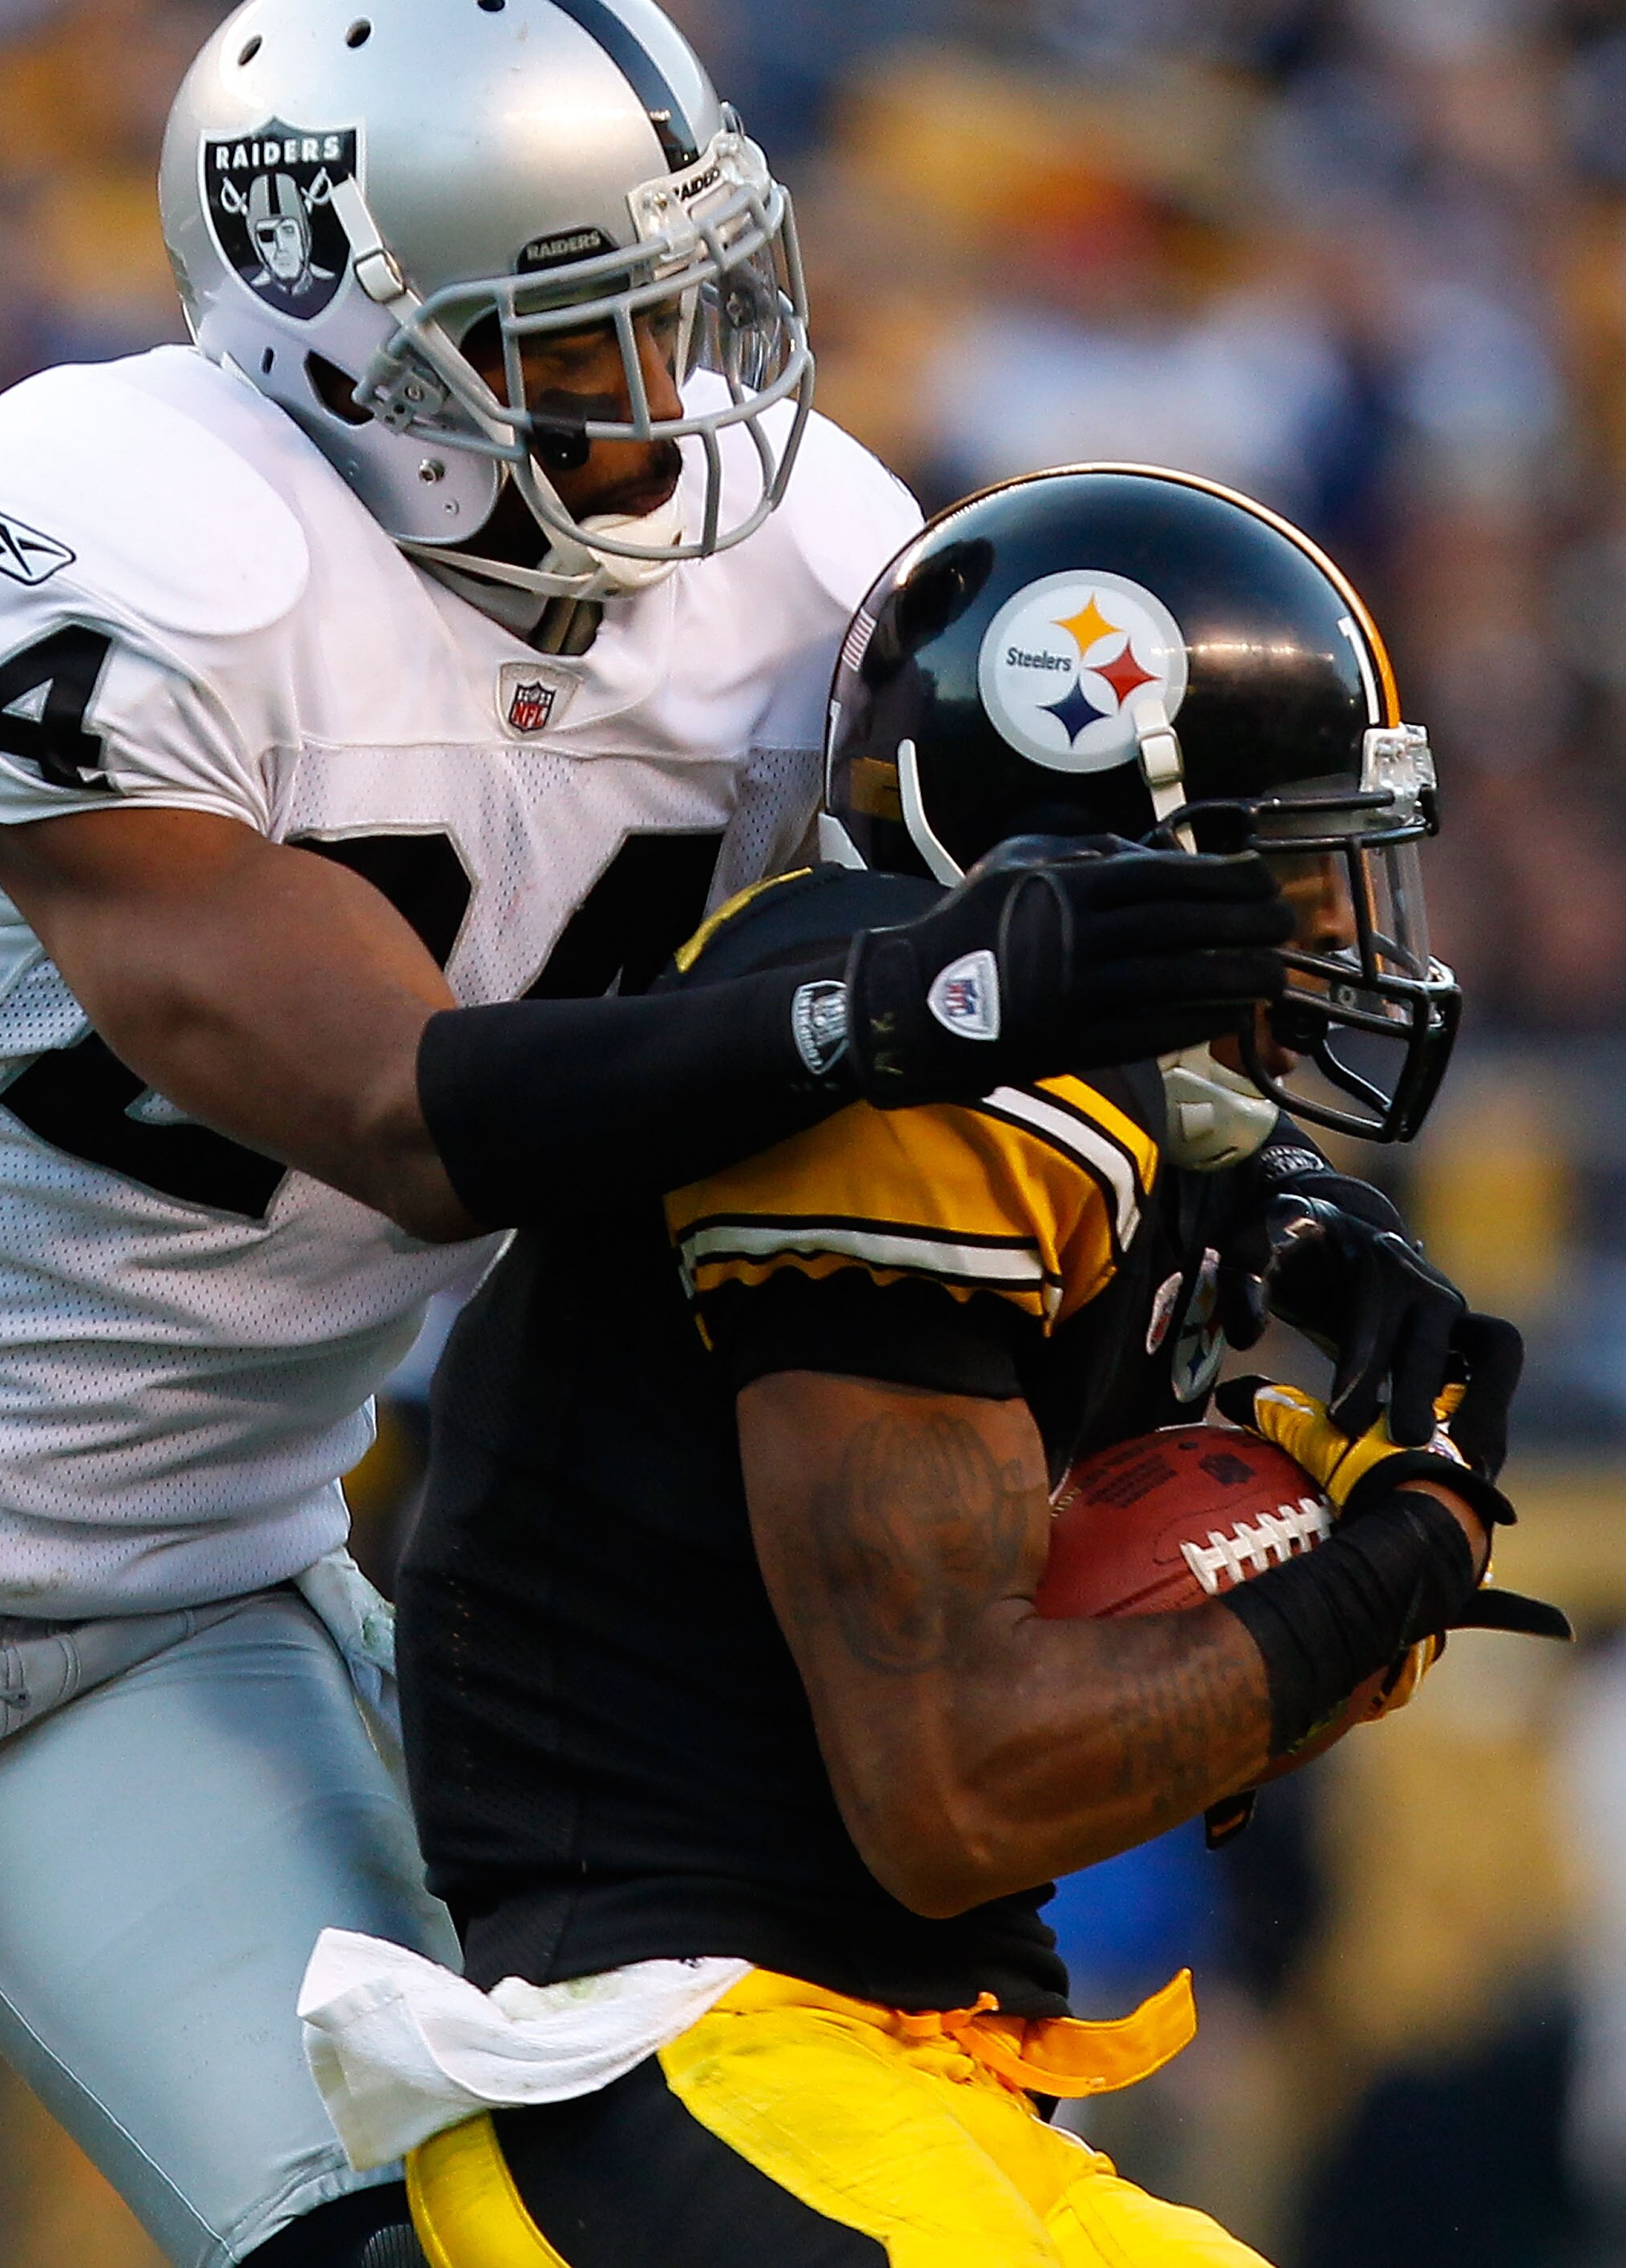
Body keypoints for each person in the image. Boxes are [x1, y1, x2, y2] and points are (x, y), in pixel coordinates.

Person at [0, 0, 1299, 2268]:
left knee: (455, 2236)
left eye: (691, 305)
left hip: (174, 1598)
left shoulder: (805, 568)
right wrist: (884, 1007)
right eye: (579, 331)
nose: (671, 393)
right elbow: (388, 1100)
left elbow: (945, 1088)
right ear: (340, 335)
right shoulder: (112, 523)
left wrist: (1225, 1193)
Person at [356, 468, 1565, 2268]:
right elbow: (955, 1791)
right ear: (1110, 849)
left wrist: (1296, 1217)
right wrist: (1387, 1575)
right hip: (686, 2049)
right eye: (1289, 870)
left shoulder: (1046, 1087)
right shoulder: (908, 1097)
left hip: (907, 2062)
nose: (1332, 931)